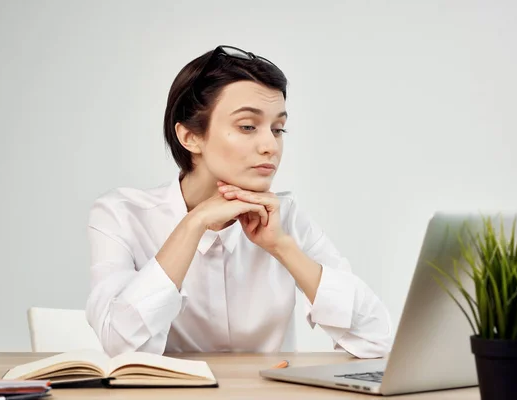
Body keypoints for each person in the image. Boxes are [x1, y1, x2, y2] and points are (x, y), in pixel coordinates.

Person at [85, 45, 393, 358]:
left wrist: (282, 247)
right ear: (191, 137)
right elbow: (120, 345)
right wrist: (194, 223)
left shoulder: (285, 219)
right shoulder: (122, 214)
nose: (270, 146)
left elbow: (375, 338)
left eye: (278, 129)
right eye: (247, 126)